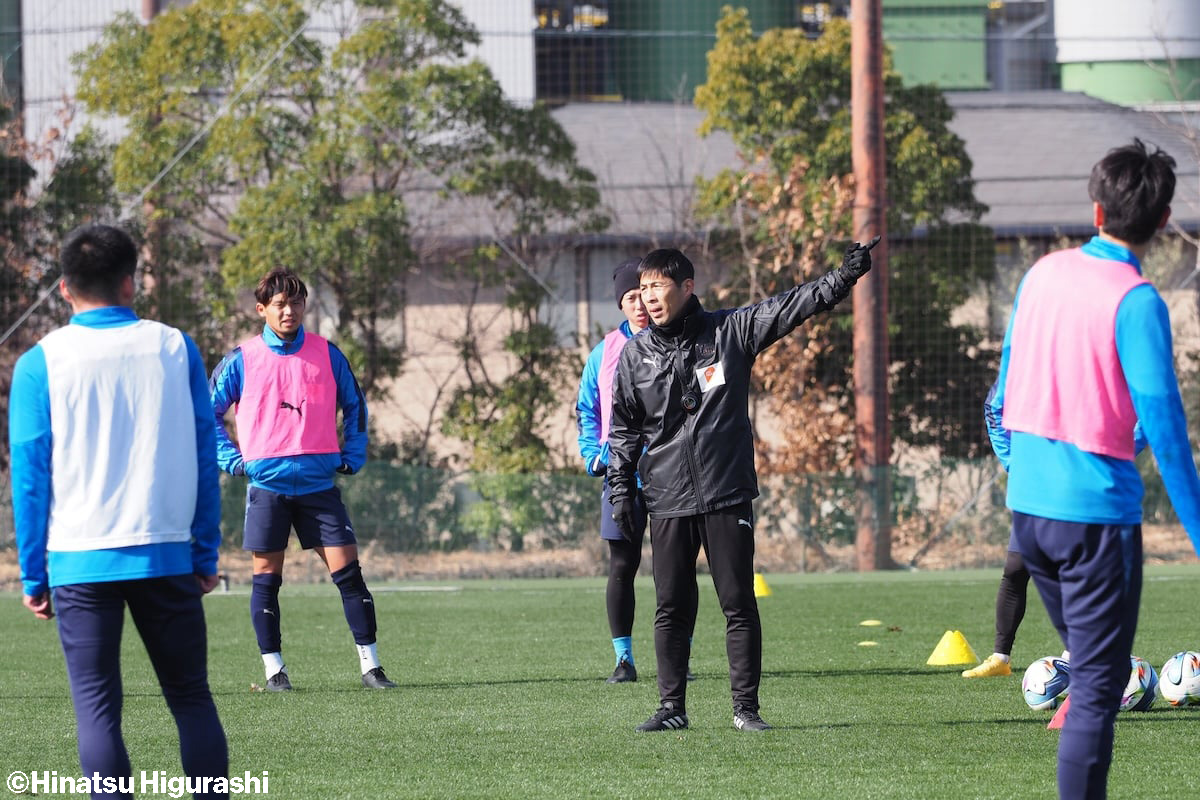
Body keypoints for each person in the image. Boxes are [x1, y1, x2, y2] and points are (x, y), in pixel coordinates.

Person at [989, 138, 1200, 798]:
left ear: (1096, 209)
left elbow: (1004, 392)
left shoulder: (1041, 274)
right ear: (1163, 222)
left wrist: (1023, 468)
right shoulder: (1137, 301)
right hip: (1095, 523)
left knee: (1092, 664)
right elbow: (1166, 431)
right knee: (1099, 687)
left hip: (1029, 517)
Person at [607, 238, 877, 732]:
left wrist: (842, 279)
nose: (648, 297)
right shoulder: (634, 355)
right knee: (671, 608)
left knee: (738, 603)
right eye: (643, 288)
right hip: (667, 497)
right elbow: (623, 429)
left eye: (658, 286)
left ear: (687, 287)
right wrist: (621, 489)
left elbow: (790, 307)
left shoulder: (729, 331)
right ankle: (671, 708)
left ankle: (745, 710)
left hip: (725, 490)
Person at [9, 224, 229, 798]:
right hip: (167, 553)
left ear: (64, 288)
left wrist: (33, 574)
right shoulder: (175, 347)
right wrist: (205, 551)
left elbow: (29, 479)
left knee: (97, 710)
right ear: (130, 282)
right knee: (191, 698)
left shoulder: (39, 363)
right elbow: (204, 454)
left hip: (79, 561)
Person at [210, 267, 396, 691]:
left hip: (318, 486)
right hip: (267, 487)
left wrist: (353, 454)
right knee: (266, 580)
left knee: (350, 575)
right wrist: (233, 461)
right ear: (261, 309)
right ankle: (274, 671)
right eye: (279, 304)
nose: (289, 311)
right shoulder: (241, 359)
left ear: (305, 306)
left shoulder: (327, 353)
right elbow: (207, 413)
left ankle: (371, 667)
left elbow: (355, 405)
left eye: (296, 303)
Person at [576, 259, 699, 684]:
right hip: (622, 476)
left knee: (677, 570)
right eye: (631, 297)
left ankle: (679, 657)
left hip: (672, 474)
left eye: (646, 293)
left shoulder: (680, 341)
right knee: (622, 565)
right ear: (622, 304)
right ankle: (623, 660)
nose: (641, 303)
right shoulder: (604, 353)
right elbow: (587, 410)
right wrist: (593, 455)